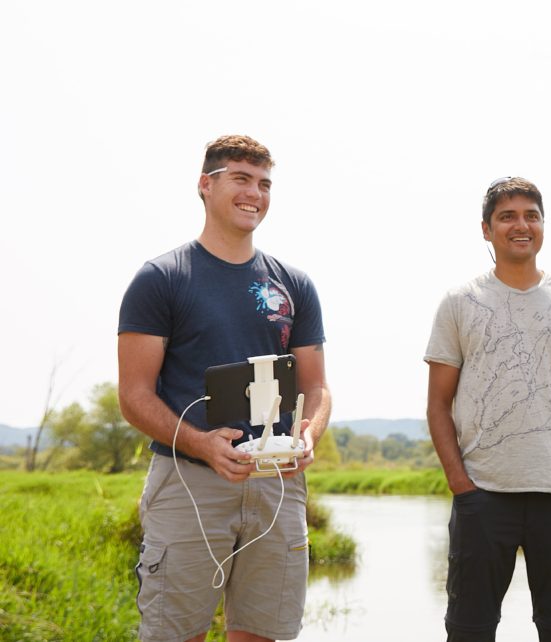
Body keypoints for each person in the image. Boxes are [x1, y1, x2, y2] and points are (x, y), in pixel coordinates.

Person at [118, 135, 330, 642]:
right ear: (205, 185)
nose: (254, 193)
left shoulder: (293, 284)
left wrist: (308, 435)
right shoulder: (161, 279)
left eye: (264, 183)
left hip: (278, 484)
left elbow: (317, 388)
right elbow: (134, 396)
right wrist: (202, 444)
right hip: (189, 481)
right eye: (240, 178)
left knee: (261, 633)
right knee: (176, 633)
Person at [424, 177, 551, 642]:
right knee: (469, 632)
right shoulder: (458, 302)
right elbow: (437, 405)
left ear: (543, 226)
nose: (520, 225)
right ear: (486, 230)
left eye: (531, 215)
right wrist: (461, 486)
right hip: (482, 497)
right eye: (507, 216)